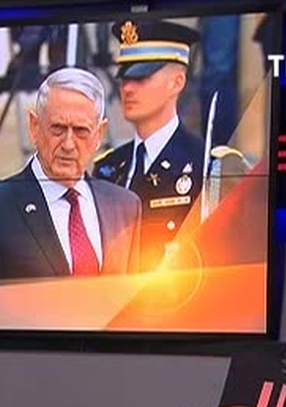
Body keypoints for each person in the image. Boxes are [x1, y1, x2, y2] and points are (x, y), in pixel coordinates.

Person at [0, 67, 140, 281]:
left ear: (100, 134)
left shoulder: (125, 207)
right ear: (35, 127)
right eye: (58, 128)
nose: (68, 144)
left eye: (81, 131)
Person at [93, 21, 206, 272]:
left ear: (177, 82)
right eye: (124, 78)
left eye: (141, 77)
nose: (127, 88)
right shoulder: (108, 168)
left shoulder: (206, 163)